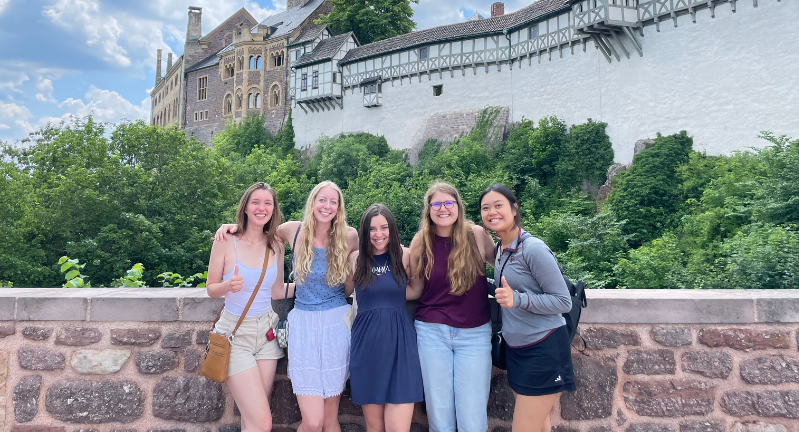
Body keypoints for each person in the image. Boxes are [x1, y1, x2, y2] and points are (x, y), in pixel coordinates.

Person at [215, 181, 359, 432]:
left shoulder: (349, 236)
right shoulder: (292, 230)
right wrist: (234, 228)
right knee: (312, 422)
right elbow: (260, 232)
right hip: (303, 324)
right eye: (321, 200)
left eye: (333, 201)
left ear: (339, 206)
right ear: (312, 202)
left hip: (337, 324)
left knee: (330, 420)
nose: (326, 206)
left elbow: (349, 286)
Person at [479, 184, 574, 432]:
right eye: (485, 208)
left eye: (498, 205)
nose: (492, 212)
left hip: (543, 348)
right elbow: (505, 288)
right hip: (518, 350)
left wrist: (518, 299)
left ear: (514, 208)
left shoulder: (533, 249)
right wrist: (475, 280)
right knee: (540, 426)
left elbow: (563, 302)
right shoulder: (501, 249)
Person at [406, 182, 496, 432]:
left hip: (475, 333)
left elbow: (504, 263)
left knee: (473, 416)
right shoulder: (420, 242)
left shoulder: (477, 235)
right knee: (439, 414)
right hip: (431, 332)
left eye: (449, 203)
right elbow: (415, 289)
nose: (443, 208)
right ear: (428, 210)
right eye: (436, 204)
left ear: (458, 206)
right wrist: (377, 292)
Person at [206, 182, 286, 432]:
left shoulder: (276, 245)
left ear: (273, 210)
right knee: (263, 421)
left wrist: (314, 287)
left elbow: (277, 291)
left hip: (266, 334)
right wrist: (228, 285)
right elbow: (210, 287)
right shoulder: (226, 240)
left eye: (267, 203)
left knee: (252, 419)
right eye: (256, 202)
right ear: (245, 207)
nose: (261, 208)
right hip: (235, 334)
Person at [347, 204, 424, 432]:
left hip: (401, 344)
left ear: (392, 229)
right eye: (372, 229)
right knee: (374, 427)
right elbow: (345, 291)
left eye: (384, 227)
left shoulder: (405, 255)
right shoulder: (356, 259)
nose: (379, 234)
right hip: (367, 345)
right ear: (364, 232)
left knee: (398, 428)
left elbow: (415, 291)